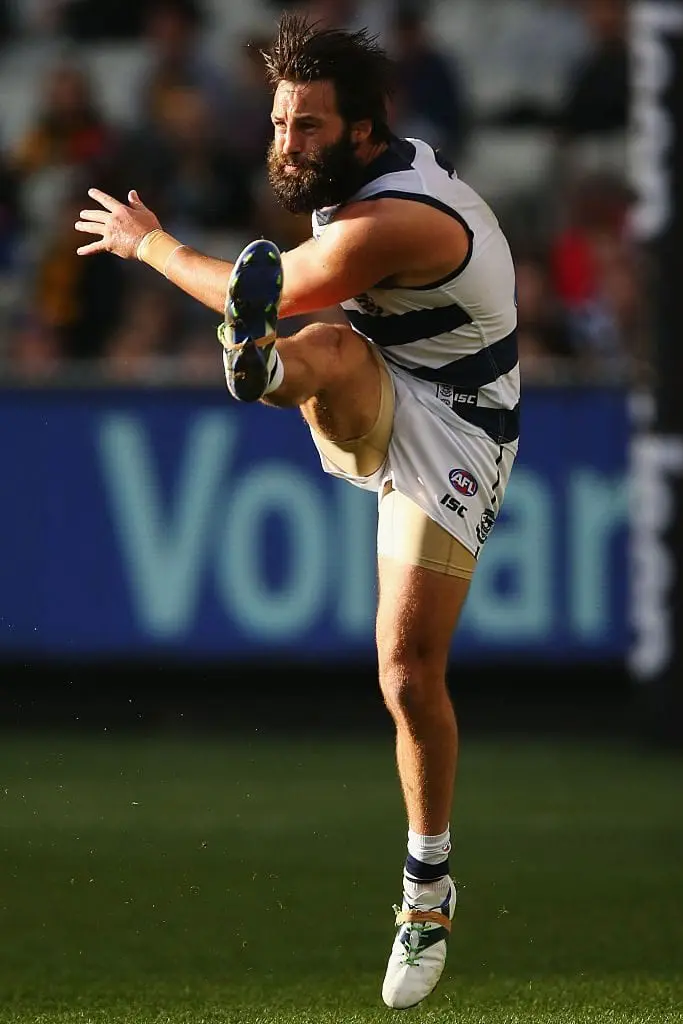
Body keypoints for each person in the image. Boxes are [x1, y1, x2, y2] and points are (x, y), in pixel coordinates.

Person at [74, 13, 519, 1010]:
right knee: (320, 349)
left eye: (308, 126)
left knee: (406, 672)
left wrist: (150, 247)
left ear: (365, 131)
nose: (286, 142)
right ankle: (264, 365)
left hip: (460, 423)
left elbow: (267, 288)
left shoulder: (394, 219)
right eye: (280, 121)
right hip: (371, 368)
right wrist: (255, 313)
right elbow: (280, 298)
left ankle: (426, 888)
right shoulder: (344, 180)